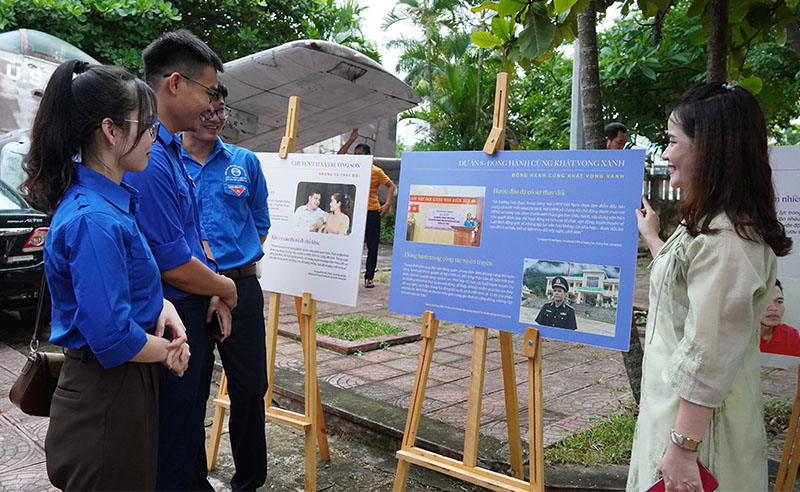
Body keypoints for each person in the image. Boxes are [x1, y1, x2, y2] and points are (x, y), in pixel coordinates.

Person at [22, 60, 190, 490]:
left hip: (120, 386)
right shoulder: (95, 220)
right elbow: (113, 338)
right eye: (148, 126)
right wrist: (171, 350)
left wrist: (164, 307)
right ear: (111, 131)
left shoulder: (110, 205)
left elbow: (124, 286)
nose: (155, 138)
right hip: (107, 395)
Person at [629, 83, 792, 491]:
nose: (665, 154)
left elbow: (709, 350)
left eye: (671, 141)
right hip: (682, 417)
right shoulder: (713, 225)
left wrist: (683, 449)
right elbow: (692, 288)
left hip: (700, 434)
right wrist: (653, 238)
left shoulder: (728, 242)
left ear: (710, 149)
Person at [123, 30, 239, 491]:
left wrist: (211, 289)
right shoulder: (148, 157)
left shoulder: (167, 148)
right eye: (208, 91)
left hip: (188, 303)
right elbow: (169, 261)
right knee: (170, 438)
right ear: (175, 83)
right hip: (168, 314)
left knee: (187, 428)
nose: (212, 105)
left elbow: (188, 241)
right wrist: (224, 288)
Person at [179, 84, 270, 490]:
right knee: (188, 391)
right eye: (208, 109)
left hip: (242, 289)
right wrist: (208, 282)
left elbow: (260, 223)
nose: (216, 117)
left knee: (250, 392)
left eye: (221, 110)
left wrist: (228, 279)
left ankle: (249, 483)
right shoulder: (164, 162)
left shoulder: (244, 162)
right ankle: (194, 480)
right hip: (186, 294)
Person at [338, 129, 395, 288]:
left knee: (372, 245)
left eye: (360, 155)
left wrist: (387, 204)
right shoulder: (352, 167)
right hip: (354, 212)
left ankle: (369, 277)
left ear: (368, 156)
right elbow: (339, 156)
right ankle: (346, 275)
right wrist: (350, 140)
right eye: (355, 154)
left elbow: (391, 186)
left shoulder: (376, 171)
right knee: (349, 243)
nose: (357, 157)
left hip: (371, 212)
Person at [760, 279, 800, 357]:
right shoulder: (736, 336)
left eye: (779, 302)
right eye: (765, 301)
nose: (774, 308)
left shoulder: (791, 335)